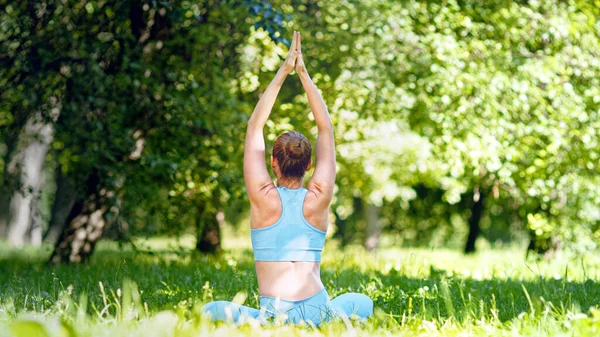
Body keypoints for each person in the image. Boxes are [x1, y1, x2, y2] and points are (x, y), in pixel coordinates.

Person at [201, 31, 373, 326]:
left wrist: (284, 71)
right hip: (319, 313)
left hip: (275, 317)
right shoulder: (318, 198)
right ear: (309, 165)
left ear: (273, 162)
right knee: (364, 302)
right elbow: (326, 129)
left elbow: (255, 128)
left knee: (210, 310)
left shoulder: (263, 198)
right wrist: (304, 74)